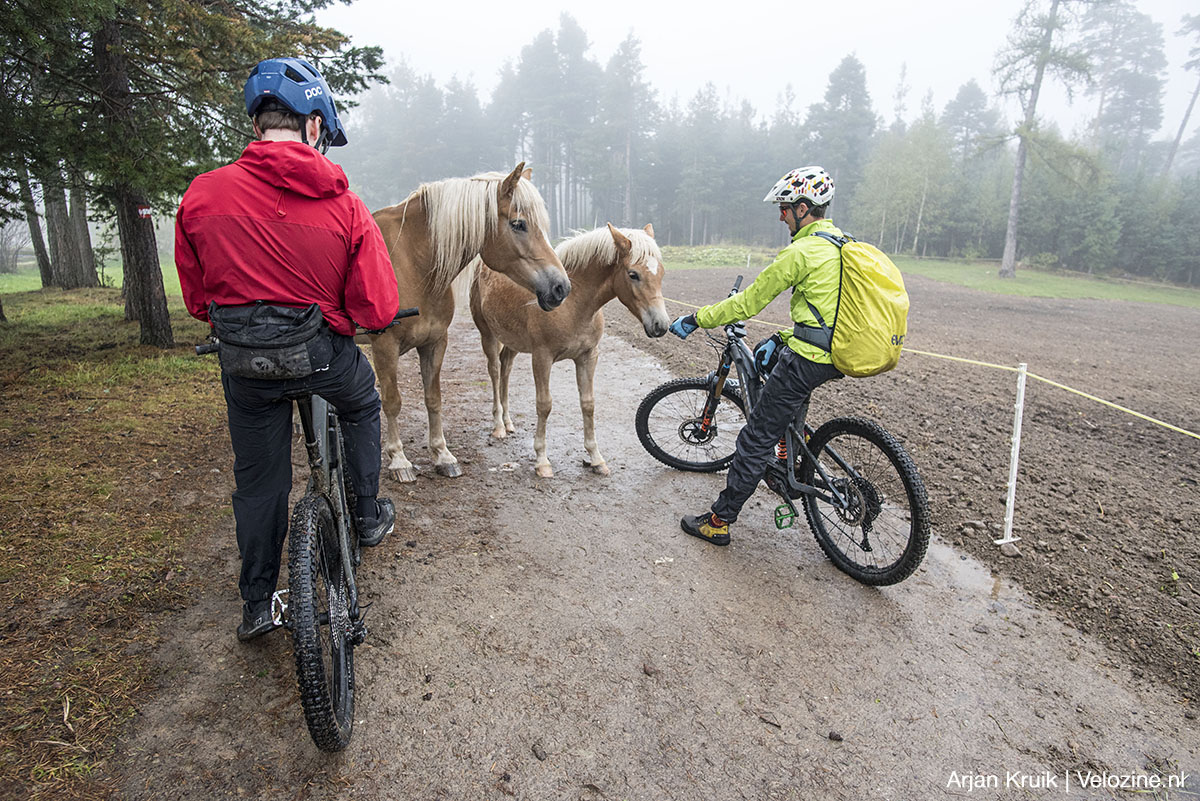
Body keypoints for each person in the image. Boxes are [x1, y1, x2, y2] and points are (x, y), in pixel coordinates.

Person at [175, 58, 400, 641]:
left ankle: (256, 603)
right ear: (314, 128)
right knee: (362, 404)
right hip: (322, 355)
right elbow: (376, 310)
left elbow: (199, 302)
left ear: (258, 126)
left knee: (258, 480)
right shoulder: (346, 208)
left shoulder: (201, 196)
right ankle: (368, 516)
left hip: (244, 363)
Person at [668, 166, 845, 546]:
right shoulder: (843, 245)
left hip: (807, 360)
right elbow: (827, 313)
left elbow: (749, 303)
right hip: (837, 353)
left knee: (755, 437)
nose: (780, 214)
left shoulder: (802, 251)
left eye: (784, 207)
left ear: (802, 208)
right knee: (785, 411)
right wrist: (783, 337)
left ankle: (719, 521)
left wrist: (697, 318)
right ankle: (790, 463)